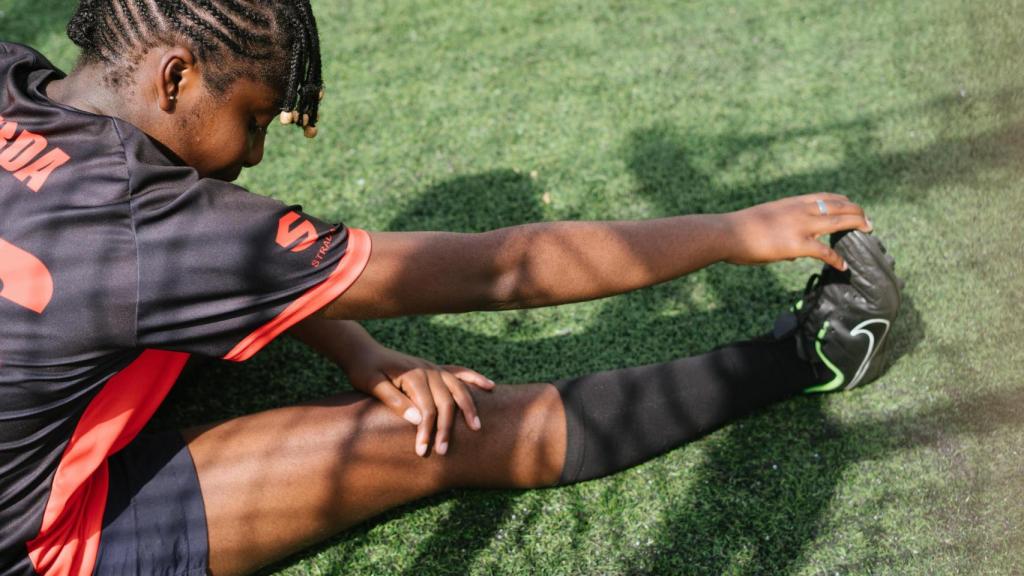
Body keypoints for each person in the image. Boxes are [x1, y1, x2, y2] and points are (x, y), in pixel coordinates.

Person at [0, 2, 903, 575]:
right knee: (442, 431)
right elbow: (500, 267)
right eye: (254, 118)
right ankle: (809, 357)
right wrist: (730, 233)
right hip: (34, 542)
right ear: (175, 75)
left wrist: (360, 348)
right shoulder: (161, 227)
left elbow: (204, 258)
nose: (256, 155)